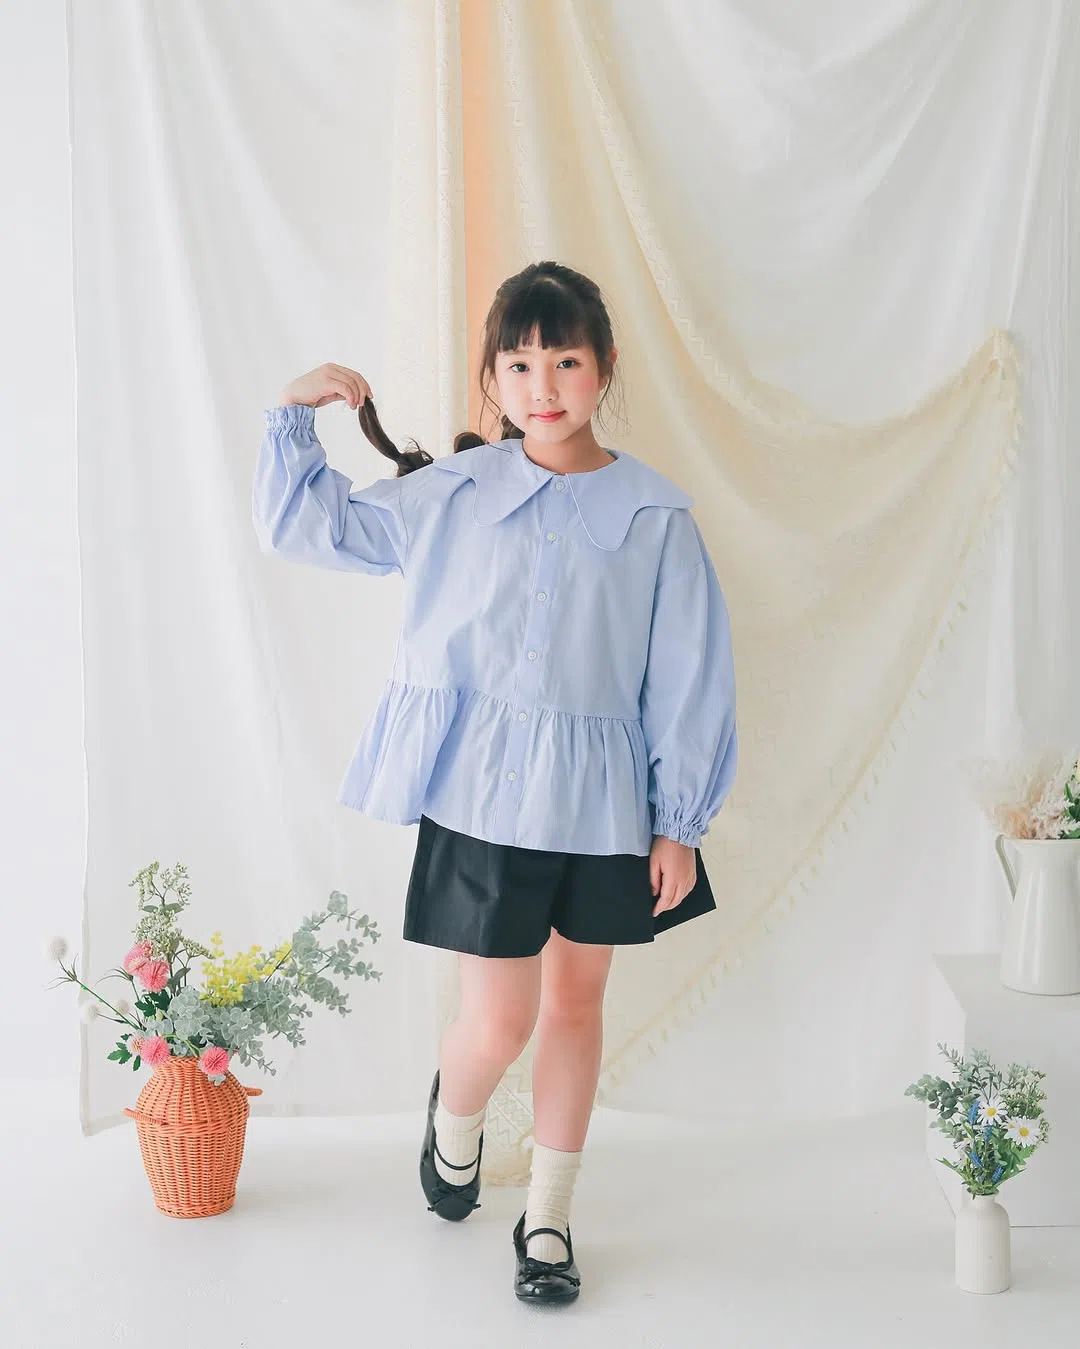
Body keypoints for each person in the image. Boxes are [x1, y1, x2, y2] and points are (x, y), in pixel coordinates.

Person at [252, 260, 738, 1304]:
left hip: (605, 807)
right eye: (518, 364)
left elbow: (688, 675)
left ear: (605, 366)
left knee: (577, 1004)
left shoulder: (656, 515)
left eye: (564, 360)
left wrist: (680, 821)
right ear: (493, 376)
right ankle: (456, 1117)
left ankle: (549, 1216)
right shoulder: (457, 495)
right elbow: (311, 528)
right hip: (483, 800)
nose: (541, 385)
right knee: (499, 1023)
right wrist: (294, 414)